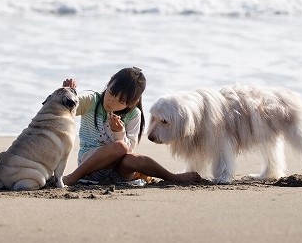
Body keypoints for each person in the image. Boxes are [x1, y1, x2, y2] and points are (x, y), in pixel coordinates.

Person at [61, 67, 201, 186]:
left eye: (120, 101)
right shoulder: (91, 100)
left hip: (119, 173)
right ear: (109, 82)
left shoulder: (134, 114)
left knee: (134, 157)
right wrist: (68, 92)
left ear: (132, 103)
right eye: (111, 93)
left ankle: (172, 177)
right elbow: (65, 109)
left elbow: (129, 149)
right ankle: (72, 177)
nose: (111, 102)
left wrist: (119, 132)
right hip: (90, 168)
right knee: (119, 146)